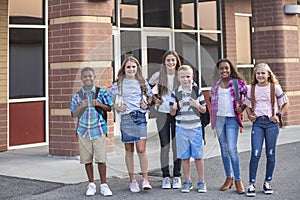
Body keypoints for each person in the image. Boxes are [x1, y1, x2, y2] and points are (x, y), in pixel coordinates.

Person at [108, 56, 153, 193]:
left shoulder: (142, 82)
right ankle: (132, 180)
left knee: (141, 150)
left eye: (133, 67)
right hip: (126, 118)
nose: (131, 69)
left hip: (140, 117)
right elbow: (108, 101)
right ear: (124, 69)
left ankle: (145, 179)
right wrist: (116, 106)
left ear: (137, 68)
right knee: (129, 150)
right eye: (128, 67)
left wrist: (147, 104)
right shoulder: (118, 84)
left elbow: (150, 97)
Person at [244, 63, 289, 197]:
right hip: (258, 123)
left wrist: (278, 115)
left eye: (263, 73)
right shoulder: (251, 88)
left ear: (269, 74)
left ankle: (267, 182)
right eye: (258, 73)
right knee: (255, 153)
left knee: (270, 153)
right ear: (255, 75)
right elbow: (247, 105)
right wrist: (250, 115)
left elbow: (286, 103)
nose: (261, 75)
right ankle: (251, 184)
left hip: (271, 123)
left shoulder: (274, 88)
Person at [70, 67, 113, 197]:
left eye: (90, 76)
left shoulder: (101, 92)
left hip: (98, 130)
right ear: (81, 79)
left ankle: (104, 185)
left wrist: (99, 104)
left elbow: (109, 108)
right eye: (85, 76)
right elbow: (73, 113)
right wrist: (80, 106)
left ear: (94, 77)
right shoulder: (78, 95)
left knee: (101, 159)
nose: (88, 79)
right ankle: (91, 184)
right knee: (87, 160)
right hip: (83, 131)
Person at [210, 58, 248, 194]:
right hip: (219, 120)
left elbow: (249, 96)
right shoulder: (215, 86)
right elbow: (212, 103)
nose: (224, 70)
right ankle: (228, 178)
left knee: (232, 149)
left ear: (230, 69)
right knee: (224, 150)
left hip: (232, 120)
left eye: (226, 68)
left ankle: (238, 180)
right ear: (218, 71)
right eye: (221, 69)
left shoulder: (238, 84)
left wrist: (242, 107)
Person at [170, 65, 207, 193]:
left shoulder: (197, 91)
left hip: (195, 127)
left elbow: (204, 110)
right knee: (184, 157)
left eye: (188, 76)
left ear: (192, 77)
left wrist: (197, 105)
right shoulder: (175, 92)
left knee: (198, 156)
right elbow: (171, 113)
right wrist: (174, 107)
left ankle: (201, 181)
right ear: (178, 78)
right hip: (181, 128)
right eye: (182, 77)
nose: (185, 79)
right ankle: (187, 181)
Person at [148, 50, 182, 189]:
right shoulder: (158, 75)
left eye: (173, 60)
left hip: (177, 114)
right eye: (168, 60)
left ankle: (177, 175)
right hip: (162, 114)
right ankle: (166, 176)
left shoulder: (181, 75)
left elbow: (191, 90)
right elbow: (147, 89)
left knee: (176, 146)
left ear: (176, 61)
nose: (170, 63)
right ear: (164, 62)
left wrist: (177, 104)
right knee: (165, 146)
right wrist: (154, 99)